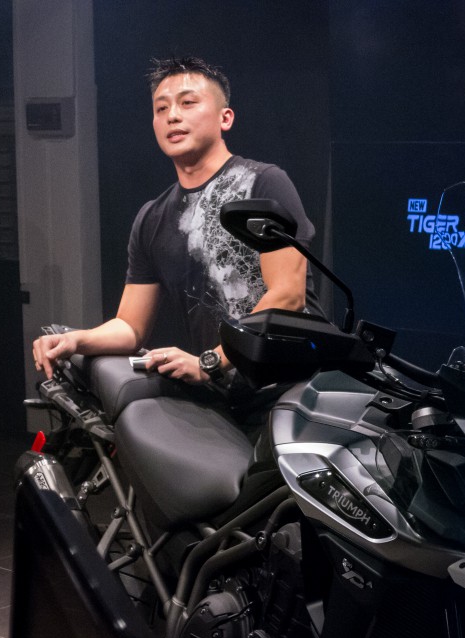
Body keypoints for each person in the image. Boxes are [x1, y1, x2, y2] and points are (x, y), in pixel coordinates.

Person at [32, 56, 321, 420]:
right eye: (161, 108)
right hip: (225, 400)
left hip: (293, 393)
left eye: (187, 103)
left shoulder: (263, 184)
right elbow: (130, 326)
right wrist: (76, 339)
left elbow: (288, 296)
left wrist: (210, 361)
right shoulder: (152, 218)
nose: (172, 116)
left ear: (225, 118)